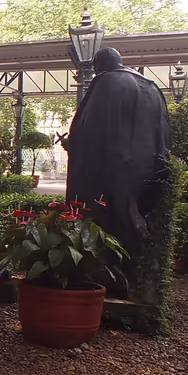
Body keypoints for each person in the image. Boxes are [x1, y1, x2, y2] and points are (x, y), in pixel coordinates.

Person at [66, 48, 171, 299]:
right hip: (147, 167)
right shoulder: (151, 87)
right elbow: (164, 132)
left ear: (100, 66)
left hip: (113, 166)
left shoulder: (107, 82)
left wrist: (75, 145)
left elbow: (90, 126)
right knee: (136, 217)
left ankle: (111, 278)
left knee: (111, 219)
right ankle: (138, 278)